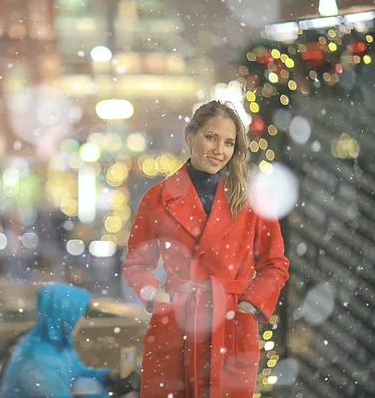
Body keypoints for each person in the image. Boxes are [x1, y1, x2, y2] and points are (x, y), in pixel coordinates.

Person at [122, 100, 290, 397]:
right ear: (191, 137)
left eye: (228, 143)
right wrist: (156, 295)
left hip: (231, 324)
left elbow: (275, 262)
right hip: (176, 321)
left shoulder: (252, 199)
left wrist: (248, 304)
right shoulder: (157, 198)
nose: (219, 150)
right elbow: (136, 263)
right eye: (211, 137)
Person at [0, 282, 139, 397]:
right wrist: (111, 394)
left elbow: (75, 371)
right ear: (62, 315)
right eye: (77, 315)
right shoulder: (38, 361)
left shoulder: (54, 342)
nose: (82, 321)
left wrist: (108, 376)